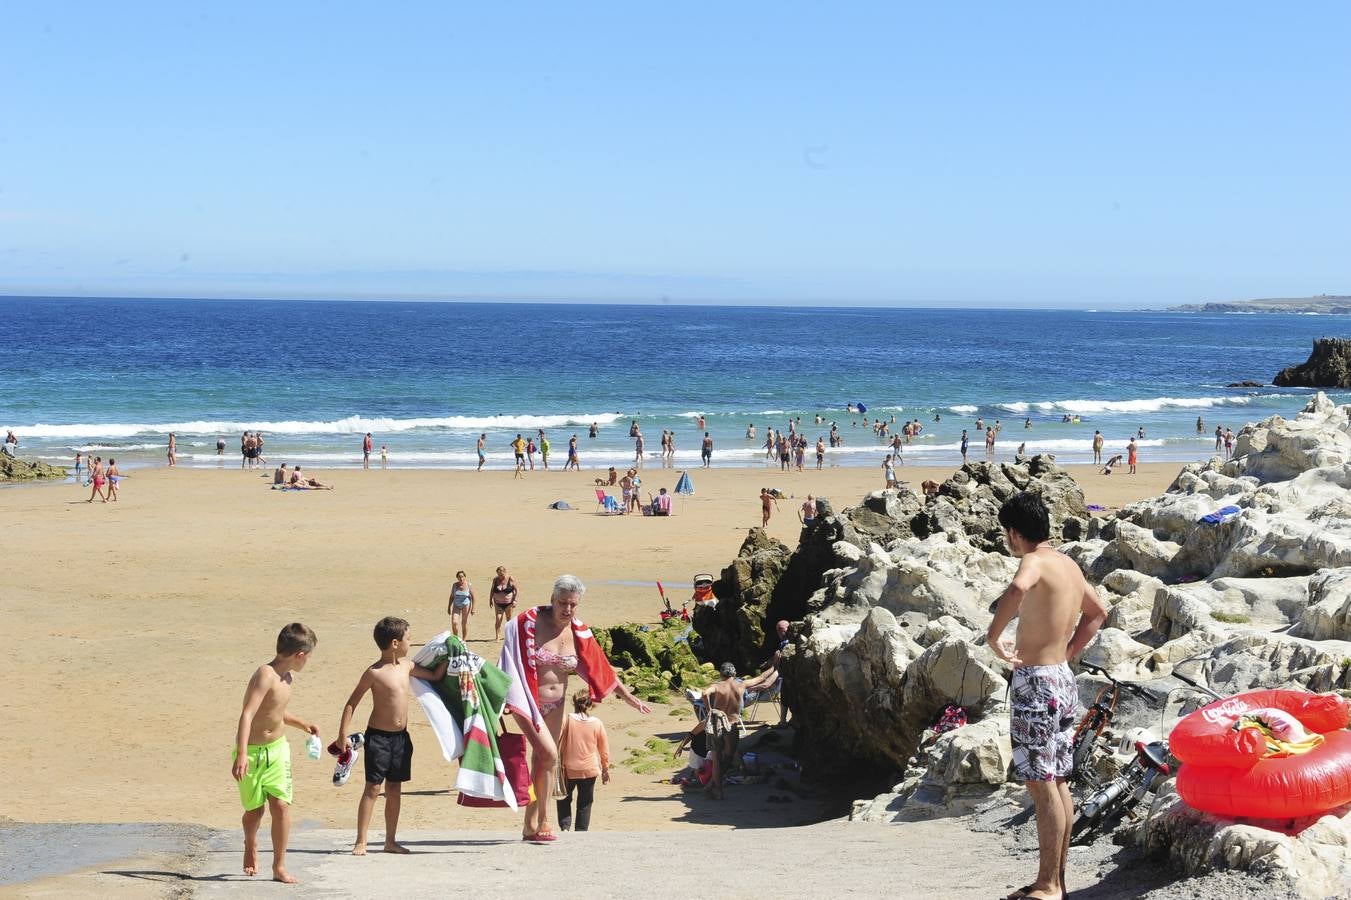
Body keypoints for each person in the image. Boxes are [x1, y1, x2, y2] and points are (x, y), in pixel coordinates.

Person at [986, 493, 1107, 900]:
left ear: (1015, 533)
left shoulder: (1033, 561)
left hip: (1036, 682)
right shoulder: (1068, 564)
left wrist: (994, 636)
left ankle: (1049, 885)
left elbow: (1018, 588)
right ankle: (1055, 880)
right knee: (1056, 781)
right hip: (1061, 678)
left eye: (1007, 532)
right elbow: (1097, 614)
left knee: (1041, 783)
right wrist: (1069, 653)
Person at [498, 576, 651, 843]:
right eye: (562, 603)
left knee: (542, 761)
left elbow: (600, 668)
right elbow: (508, 659)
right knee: (549, 755)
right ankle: (545, 819)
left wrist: (629, 698)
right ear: (552, 599)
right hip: (528, 702)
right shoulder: (526, 624)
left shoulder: (579, 632)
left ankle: (529, 824)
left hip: (557, 705)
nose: (567, 609)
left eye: (572, 604)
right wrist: (498, 697)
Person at [332, 617, 442, 856]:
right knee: (372, 788)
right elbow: (352, 702)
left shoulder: (408, 666)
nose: (410, 643)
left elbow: (434, 676)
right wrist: (342, 734)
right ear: (395, 643)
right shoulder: (374, 673)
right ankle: (361, 841)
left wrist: (455, 657)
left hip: (401, 739)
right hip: (378, 738)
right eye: (408, 639)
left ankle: (390, 841)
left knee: (394, 788)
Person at [232, 623, 320, 883]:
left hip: (278, 750)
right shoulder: (265, 675)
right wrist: (241, 753)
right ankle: (250, 844)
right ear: (299, 655)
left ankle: (279, 866)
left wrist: (303, 724)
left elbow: (275, 713)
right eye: (308, 658)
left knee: (281, 805)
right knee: (254, 812)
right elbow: (248, 714)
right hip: (252, 753)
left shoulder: (288, 678)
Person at [683, 663, 744, 799]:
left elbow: (691, 734)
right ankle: (712, 786)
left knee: (717, 759)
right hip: (701, 754)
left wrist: (709, 709)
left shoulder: (710, 723)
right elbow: (692, 734)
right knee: (721, 758)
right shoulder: (708, 722)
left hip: (703, 755)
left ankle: (713, 787)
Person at [556, 689, 611, 831]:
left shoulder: (565, 719)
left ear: (573, 702)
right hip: (590, 769)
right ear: (591, 705)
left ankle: (565, 828)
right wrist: (605, 769)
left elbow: (555, 740)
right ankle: (581, 831)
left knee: (564, 799)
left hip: (568, 768)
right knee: (585, 802)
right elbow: (603, 749)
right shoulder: (597, 723)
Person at [490, 566, 518, 641]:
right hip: (498, 603)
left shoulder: (510, 579)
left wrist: (515, 600)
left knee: (509, 620)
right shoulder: (495, 580)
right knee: (498, 619)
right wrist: (490, 600)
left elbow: (516, 590)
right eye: (499, 574)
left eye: (502, 574)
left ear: (505, 572)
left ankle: (509, 636)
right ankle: (497, 636)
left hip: (509, 603)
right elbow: (492, 590)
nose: (500, 576)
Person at [448, 571, 476, 640]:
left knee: (464, 622)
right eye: (459, 577)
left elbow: (473, 597)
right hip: (456, 604)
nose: (461, 578)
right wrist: (449, 607)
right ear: (457, 578)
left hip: (466, 604)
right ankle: (456, 638)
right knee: (454, 622)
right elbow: (451, 596)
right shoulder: (455, 585)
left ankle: (464, 639)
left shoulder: (468, 585)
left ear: (465, 577)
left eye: (462, 576)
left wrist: (473, 608)